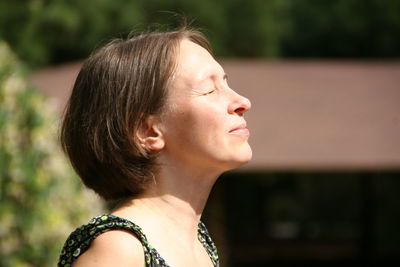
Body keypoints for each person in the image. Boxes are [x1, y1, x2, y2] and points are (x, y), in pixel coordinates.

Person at [58, 26, 251, 267]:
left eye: (225, 83)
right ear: (148, 131)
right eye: (209, 89)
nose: (243, 102)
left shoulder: (198, 242)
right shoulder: (119, 248)